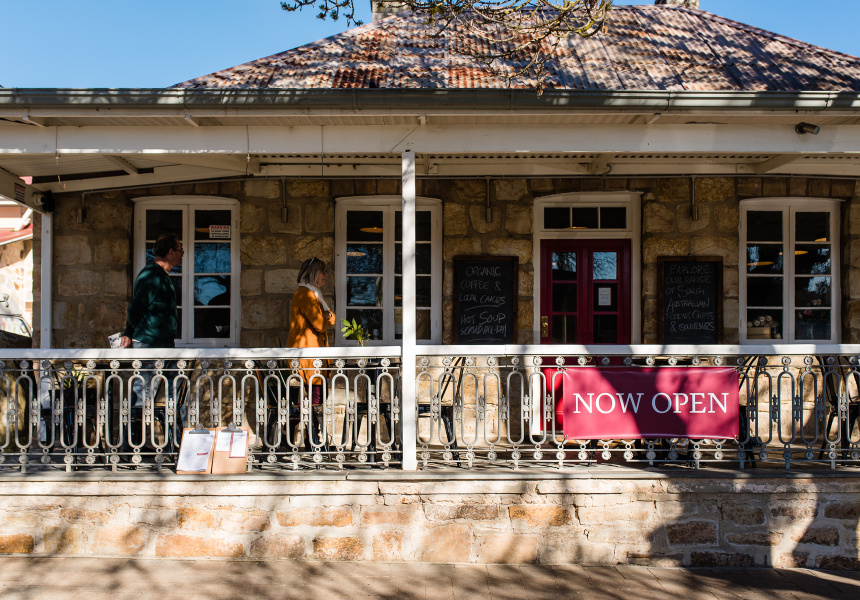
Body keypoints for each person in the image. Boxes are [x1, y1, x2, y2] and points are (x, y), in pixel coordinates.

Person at [120, 233, 183, 413]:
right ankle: (134, 432)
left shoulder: (161, 275)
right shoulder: (152, 276)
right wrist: (129, 332)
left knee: (176, 389)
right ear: (171, 252)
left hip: (163, 344)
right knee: (143, 396)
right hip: (150, 344)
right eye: (181, 251)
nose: (182, 255)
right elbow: (135, 310)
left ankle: (175, 430)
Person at [287, 257, 336, 408]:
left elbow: (327, 320)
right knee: (316, 400)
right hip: (308, 358)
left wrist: (328, 316)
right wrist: (328, 316)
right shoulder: (306, 295)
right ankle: (293, 421)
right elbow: (320, 324)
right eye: (323, 272)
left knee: (317, 400)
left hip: (312, 358)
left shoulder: (312, 294)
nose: (326, 275)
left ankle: (301, 422)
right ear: (312, 273)